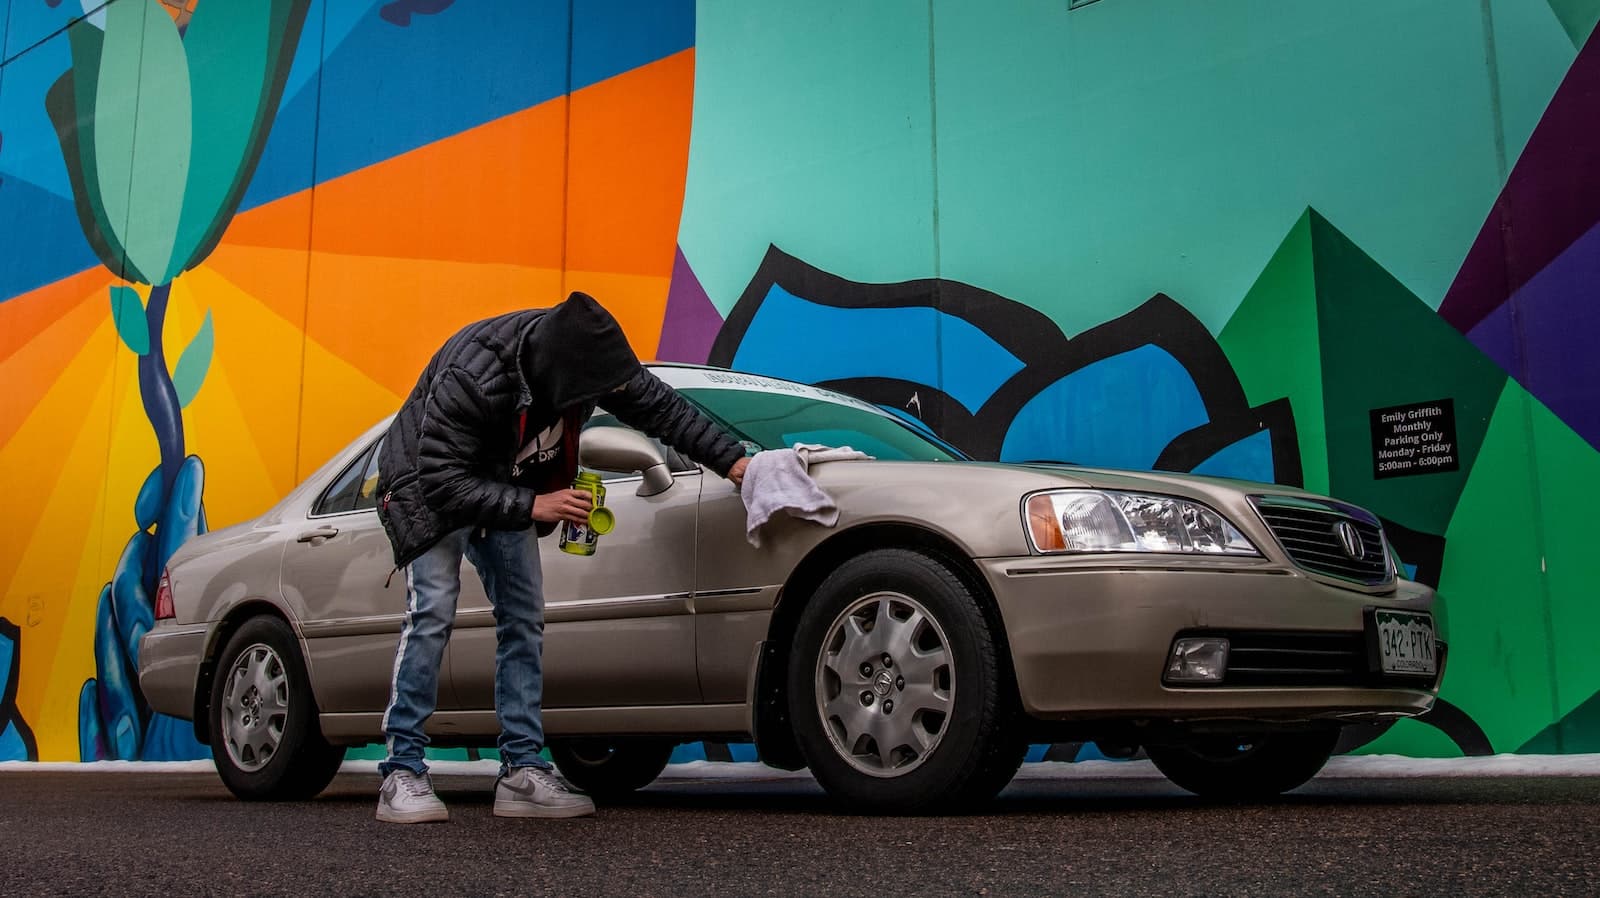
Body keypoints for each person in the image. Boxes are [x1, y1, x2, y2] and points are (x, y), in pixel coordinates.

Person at [372, 292, 750, 823]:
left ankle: (521, 772)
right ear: (559, 375)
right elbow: (442, 480)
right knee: (433, 610)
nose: (601, 399)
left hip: (503, 480)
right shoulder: (475, 374)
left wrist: (738, 464)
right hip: (429, 484)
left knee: (524, 618)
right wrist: (536, 503)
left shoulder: (586, 358)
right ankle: (402, 770)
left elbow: (664, 410)